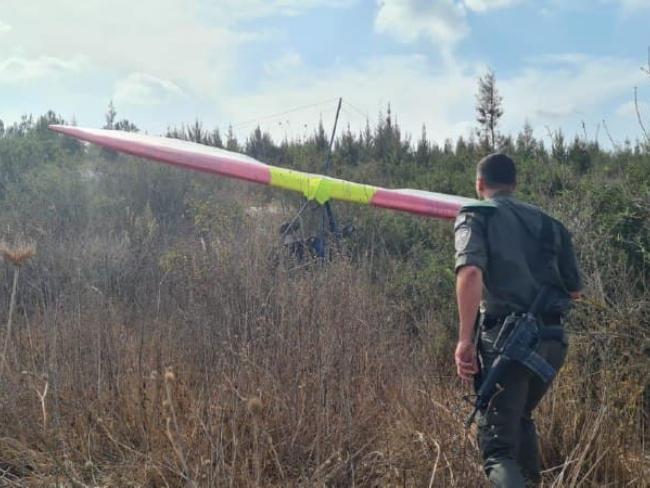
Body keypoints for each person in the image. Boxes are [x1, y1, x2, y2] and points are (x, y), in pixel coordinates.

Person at [453, 153, 581, 487]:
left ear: (479, 184)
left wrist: (465, 340)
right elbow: (575, 292)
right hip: (552, 343)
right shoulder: (551, 225)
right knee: (520, 419)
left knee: (497, 451)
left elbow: (469, 272)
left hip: (507, 344)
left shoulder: (476, 214)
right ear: (515, 184)